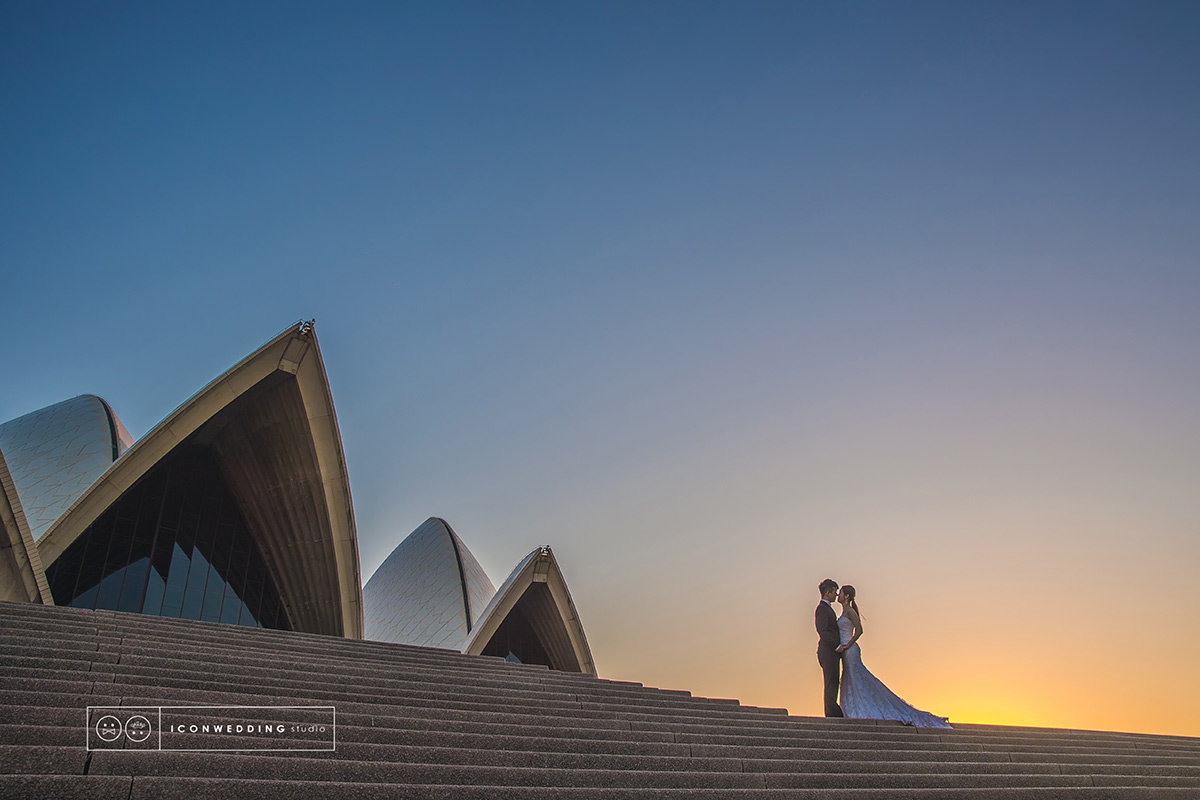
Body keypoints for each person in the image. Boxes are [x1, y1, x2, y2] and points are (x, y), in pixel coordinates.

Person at [836, 584, 952, 728]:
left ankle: (867, 708)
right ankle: (854, 707)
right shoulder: (843, 612)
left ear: (846, 596)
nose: (838, 595)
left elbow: (859, 630)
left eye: (840, 593)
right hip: (845, 651)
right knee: (851, 678)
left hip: (850, 649)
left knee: (858, 677)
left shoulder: (850, 612)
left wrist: (848, 644)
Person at [814, 578, 843, 717]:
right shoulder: (822, 609)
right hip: (828, 651)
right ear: (827, 593)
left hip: (831, 652)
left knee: (833, 681)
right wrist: (836, 646)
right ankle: (833, 713)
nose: (836, 595)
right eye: (834, 592)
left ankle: (832, 711)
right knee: (831, 681)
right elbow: (823, 630)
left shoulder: (826, 609)